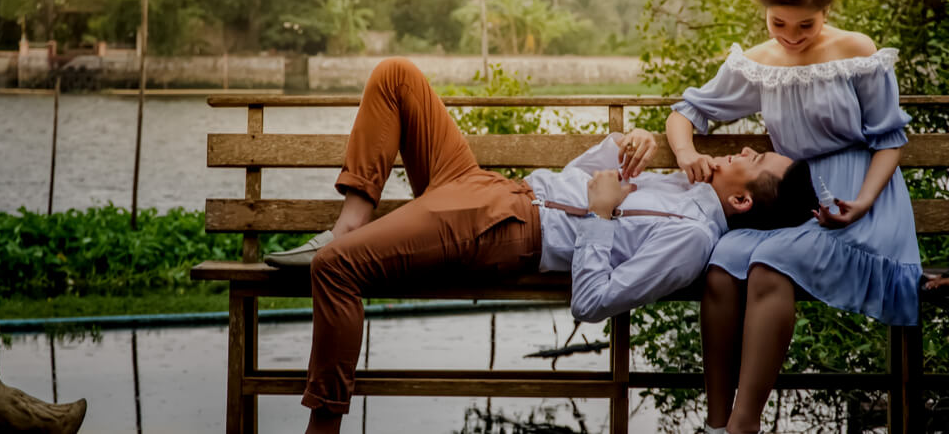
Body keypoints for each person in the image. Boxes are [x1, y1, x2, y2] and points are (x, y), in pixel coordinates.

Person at [263, 57, 817, 434]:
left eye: (756, 159)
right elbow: (577, 177)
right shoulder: (684, 182)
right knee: (396, 75)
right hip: (495, 187)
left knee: (336, 269)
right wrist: (627, 146)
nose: (744, 149)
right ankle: (351, 220)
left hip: (505, 226)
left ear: (742, 202)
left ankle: (323, 425)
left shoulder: (691, 238)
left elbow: (594, 301)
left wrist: (601, 215)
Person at [663, 0, 927, 434]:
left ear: (826, 8)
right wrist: (686, 154)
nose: (791, 36)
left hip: (862, 197)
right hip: (795, 202)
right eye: (778, 23)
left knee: (767, 266)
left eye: (805, 24)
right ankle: (716, 424)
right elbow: (686, 112)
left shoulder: (858, 52)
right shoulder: (759, 62)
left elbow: (890, 140)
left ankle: (744, 425)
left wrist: (863, 202)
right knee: (722, 266)